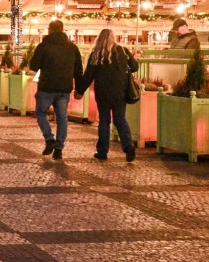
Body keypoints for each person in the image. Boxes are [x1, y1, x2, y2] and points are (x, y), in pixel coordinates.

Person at [76, 29, 138, 162]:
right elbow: (135, 67)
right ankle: (128, 146)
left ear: (99, 39)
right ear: (113, 38)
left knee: (104, 120)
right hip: (120, 92)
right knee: (120, 119)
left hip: (103, 92)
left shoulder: (96, 54)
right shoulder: (123, 51)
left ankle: (102, 151)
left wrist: (79, 91)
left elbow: (88, 76)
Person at [28, 20, 83, 161]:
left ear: (50, 30)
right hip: (64, 88)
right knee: (62, 119)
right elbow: (78, 70)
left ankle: (49, 139)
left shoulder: (43, 46)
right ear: (63, 29)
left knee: (41, 113)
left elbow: (34, 66)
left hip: (46, 87)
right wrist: (79, 89)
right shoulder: (72, 47)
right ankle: (59, 148)